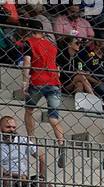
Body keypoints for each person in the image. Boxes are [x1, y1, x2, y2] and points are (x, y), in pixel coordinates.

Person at [19, 19, 65, 163]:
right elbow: (57, 66)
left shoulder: (29, 43)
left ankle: (31, 140)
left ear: (29, 30)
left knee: (29, 110)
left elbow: (27, 63)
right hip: (53, 82)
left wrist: (25, 81)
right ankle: (61, 143)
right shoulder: (51, 45)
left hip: (37, 81)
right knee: (53, 117)